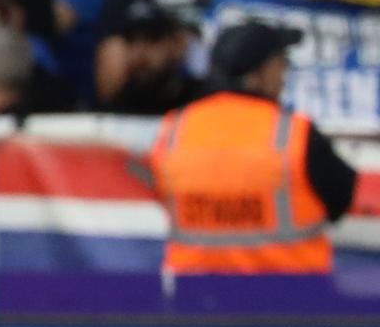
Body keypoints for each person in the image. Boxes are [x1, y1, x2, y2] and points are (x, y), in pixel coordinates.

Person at [145, 16, 358, 288]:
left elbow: (162, 195)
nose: (284, 73)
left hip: (195, 302)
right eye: (280, 63)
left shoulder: (174, 130)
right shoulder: (294, 134)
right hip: (293, 306)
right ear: (255, 75)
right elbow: (341, 198)